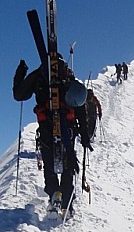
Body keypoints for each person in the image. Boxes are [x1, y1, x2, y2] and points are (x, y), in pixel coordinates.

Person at [13, 57, 90, 214]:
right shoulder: (68, 77)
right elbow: (80, 107)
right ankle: (67, 202)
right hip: (68, 129)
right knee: (68, 161)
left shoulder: (39, 76)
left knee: (49, 162)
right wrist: (84, 133)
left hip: (46, 127)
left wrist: (20, 73)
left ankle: (54, 195)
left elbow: (19, 94)